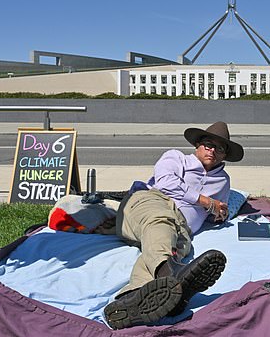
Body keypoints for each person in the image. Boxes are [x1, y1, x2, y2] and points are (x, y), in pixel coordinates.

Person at [104, 121, 244, 329]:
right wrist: (206, 201)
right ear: (197, 145)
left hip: (183, 228)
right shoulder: (176, 158)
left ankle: (131, 299)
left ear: (224, 155)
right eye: (208, 144)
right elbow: (165, 182)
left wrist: (218, 214)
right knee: (160, 222)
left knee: (171, 248)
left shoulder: (223, 180)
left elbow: (215, 210)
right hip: (152, 201)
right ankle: (174, 278)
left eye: (220, 148)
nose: (212, 150)